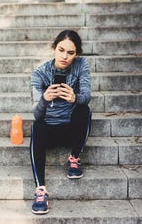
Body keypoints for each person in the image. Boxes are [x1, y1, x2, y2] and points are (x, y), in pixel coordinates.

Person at [30, 29, 92, 214]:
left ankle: (74, 157)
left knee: (84, 110)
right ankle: (40, 189)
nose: (65, 56)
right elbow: (35, 113)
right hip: (49, 129)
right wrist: (45, 99)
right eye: (61, 50)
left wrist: (75, 98)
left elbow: (87, 96)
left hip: (72, 129)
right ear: (54, 49)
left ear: (77, 54)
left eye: (71, 53)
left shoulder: (81, 65)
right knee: (37, 125)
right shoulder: (39, 74)